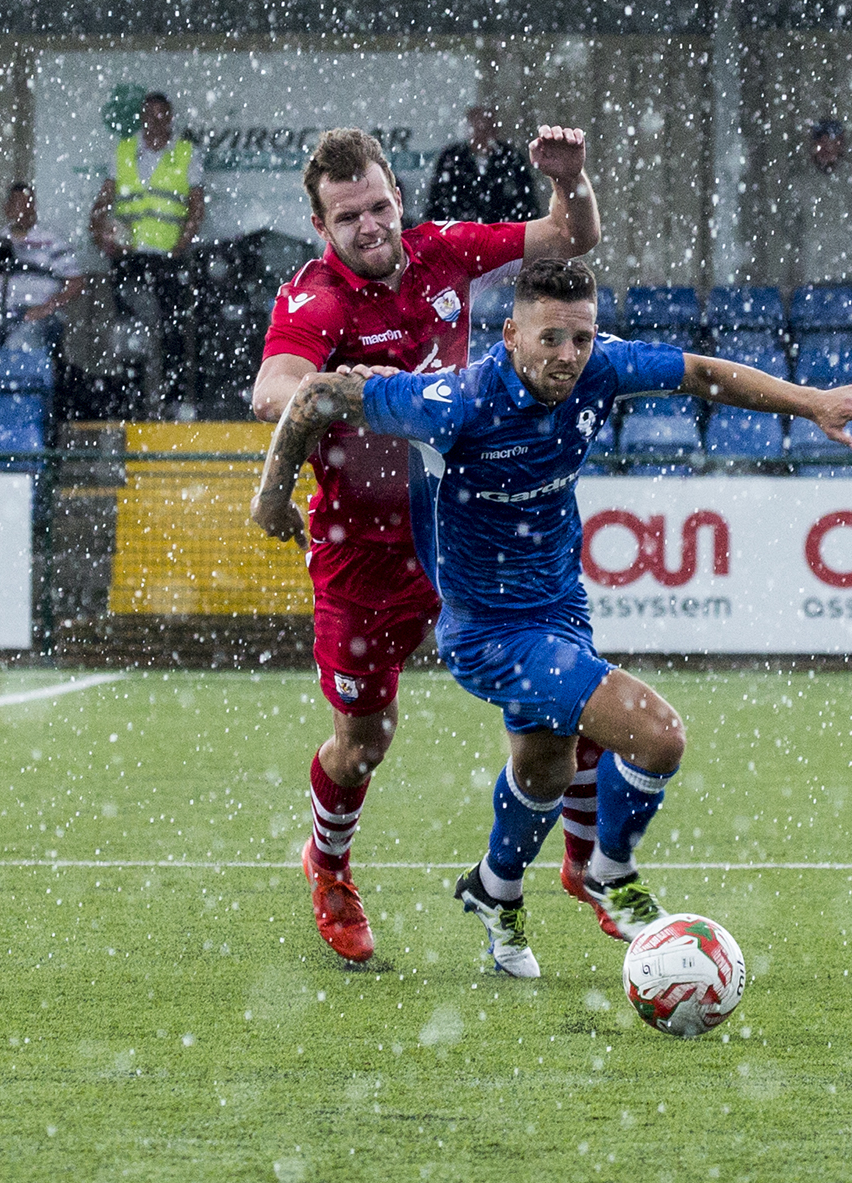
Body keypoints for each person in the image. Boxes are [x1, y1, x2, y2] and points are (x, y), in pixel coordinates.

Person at [249, 258, 852, 975]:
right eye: (551, 338)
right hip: (487, 630)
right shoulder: (453, 400)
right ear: (511, 334)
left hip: (559, 604)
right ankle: (607, 871)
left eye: (581, 338)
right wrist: (272, 497)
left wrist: (809, 402)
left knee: (546, 768)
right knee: (658, 737)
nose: (568, 356)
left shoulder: (600, 367)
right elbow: (314, 395)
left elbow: (701, 372)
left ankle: (495, 889)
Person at [250, 125, 604, 964]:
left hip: (464, 535)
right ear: (321, 227)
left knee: (561, 694)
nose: (370, 227)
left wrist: (572, 181)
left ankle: (585, 865)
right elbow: (273, 389)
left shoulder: (441, 252)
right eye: (348, 218)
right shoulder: (317, 299)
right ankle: (328, 862)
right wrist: (353, 391)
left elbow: (571, 238)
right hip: (363, 551)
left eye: (378, 206)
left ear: (398, 198)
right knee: (366, 739)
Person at [89, 92, 206, 410]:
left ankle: (174, 399)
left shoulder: (185, 152)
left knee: (173, 329)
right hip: (129, 255)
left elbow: (196, 205)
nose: (156, 120)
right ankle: (132, 397)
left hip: (168, 256)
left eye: (162, 114)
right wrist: (100, 233)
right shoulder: (124, 150)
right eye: (150, 114)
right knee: (130, 331)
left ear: (170, 118)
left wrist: (182, 244)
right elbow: (103, 200)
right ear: (141, 117)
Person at [0, 182, 85, 353]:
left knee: (17, 346)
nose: (24, 210)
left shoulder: (51, 240)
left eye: (29, 204)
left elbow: (77, 283)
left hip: (42, 316)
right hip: (5, 315)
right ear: (7, 208)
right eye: (18, 205)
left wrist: (47, 307)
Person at [781, 118, 852, 289]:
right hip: (816, 276)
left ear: (841, 144)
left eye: (830, 142)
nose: (825, 148)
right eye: (820, 142)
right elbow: (788, 226)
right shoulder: (799, 184)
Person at [424, 106, 542, 224]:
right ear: (468, 130)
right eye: (477, 129)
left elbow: (526, 203)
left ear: (495, 131)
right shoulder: (451, 158)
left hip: (501, 233)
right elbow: (438, 202)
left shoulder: (511, 158)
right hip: (461, 234)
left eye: (486, 129)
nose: (481, 135)